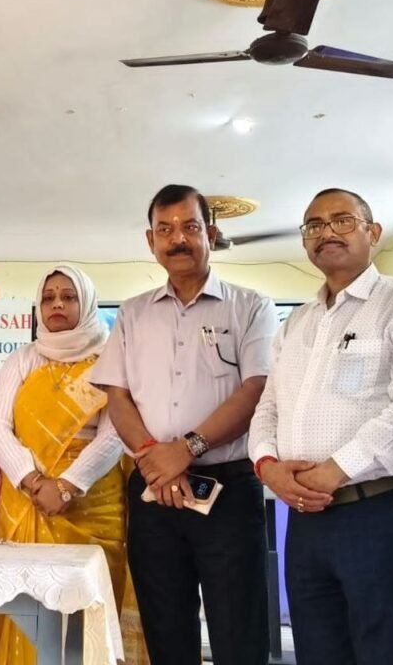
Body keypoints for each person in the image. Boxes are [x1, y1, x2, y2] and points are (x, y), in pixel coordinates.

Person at [249, 188, 393, 665]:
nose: (327, 232)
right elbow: (268, 408)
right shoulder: (296, 323)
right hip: (307, 523)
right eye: (314, 225)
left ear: (373, 232)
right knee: (318, 653)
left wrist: (336, 469)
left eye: (342, 220)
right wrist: (268, 468)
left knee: (392, 653)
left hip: (384, 511)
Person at [93, 184, 277, 665]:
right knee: (166, 632)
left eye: (190, 227)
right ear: (150, 240)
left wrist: (186, 449)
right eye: (165, 229)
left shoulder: (251, 307)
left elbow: (256, 389)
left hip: (228, 492)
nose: (178, 239)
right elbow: (118, 397)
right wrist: (156, 461)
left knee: (239, 633)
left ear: (210, 235)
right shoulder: (132, 314)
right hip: (153, 495)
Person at [0, 265, 126, 665]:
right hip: (28, 496)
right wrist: (32, 480)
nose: (57, 304)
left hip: (91, 501)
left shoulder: (110, 360)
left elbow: (115, 433)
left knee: (86, 610)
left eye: (68, 296)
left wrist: (66, 486)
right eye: (49, 297)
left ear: (87, 303)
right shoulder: (22, 359)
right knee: (26, 606)